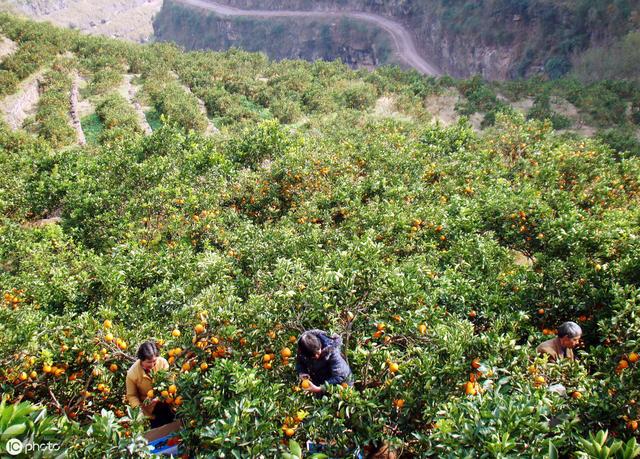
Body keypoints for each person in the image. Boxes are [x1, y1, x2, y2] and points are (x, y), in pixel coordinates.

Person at [126, 341, 174, 428]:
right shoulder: (132, 374)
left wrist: (159, 397)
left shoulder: (162, 363)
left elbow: (170, 383)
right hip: (151, 409)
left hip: (168, 402)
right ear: (141, 360)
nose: (152, 365)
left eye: (154, 361)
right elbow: (132, 395)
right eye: (148, 362)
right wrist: (139, 411)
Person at [296, 329, 352, 394]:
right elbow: (300, 362)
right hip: (321, 382)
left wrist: (320, 388)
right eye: (313, 356)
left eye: (318, 352)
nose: (317, 356)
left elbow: (340, 376)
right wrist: (302, 372)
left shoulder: (332, 351)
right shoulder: (302, 350)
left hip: (342, 386)